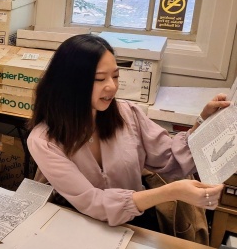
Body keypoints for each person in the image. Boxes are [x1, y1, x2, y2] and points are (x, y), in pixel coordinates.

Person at [27, 34, 228, 227]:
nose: (111, 87)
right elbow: (93, 202)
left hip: (134, 223)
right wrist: (172, 192)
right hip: (78, 226)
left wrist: (203, 123)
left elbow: (170, 158)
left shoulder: (126, 113)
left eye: (115, 76)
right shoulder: (44, 140)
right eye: (100, 79)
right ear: (70, 83)